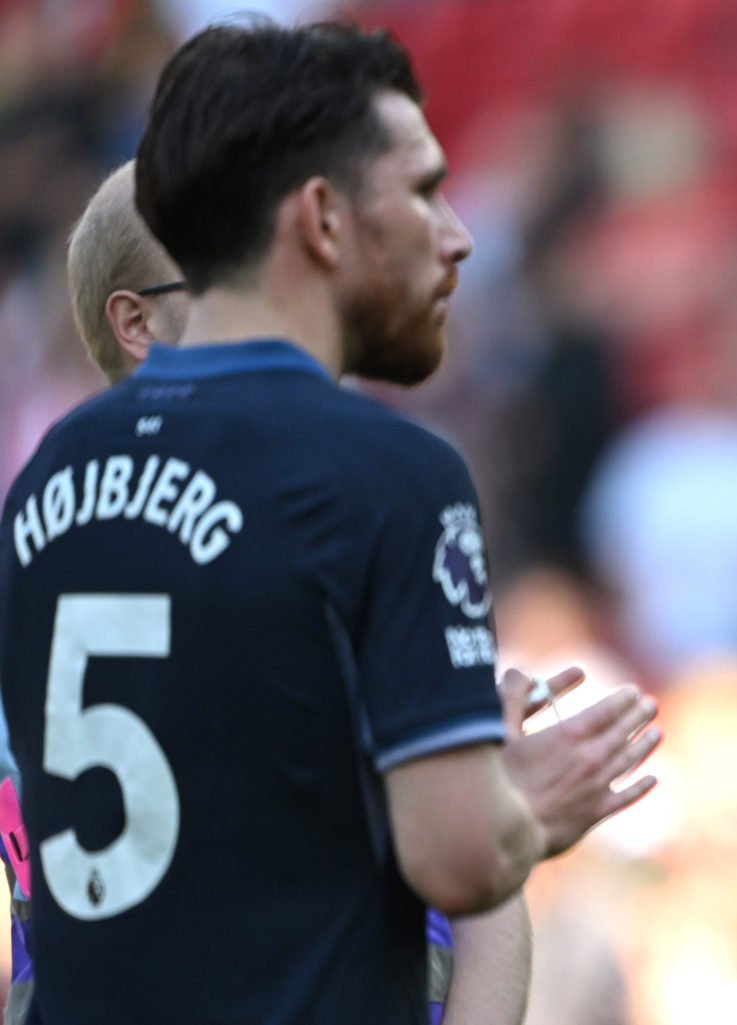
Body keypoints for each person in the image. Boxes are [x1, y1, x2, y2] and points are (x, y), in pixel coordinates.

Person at [0, 19, 659, 1025]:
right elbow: (460, 857)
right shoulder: (389, 470)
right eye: (426, 190)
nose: (460, 234)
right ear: (323, 218)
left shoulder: (54, 470)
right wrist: (517, 803)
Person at [36, 158, 536, 1025]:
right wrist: (486, 815)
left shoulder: (51, 508)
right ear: (139, 322)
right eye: (231, 281)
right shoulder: (343, 513)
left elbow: (478, 898)